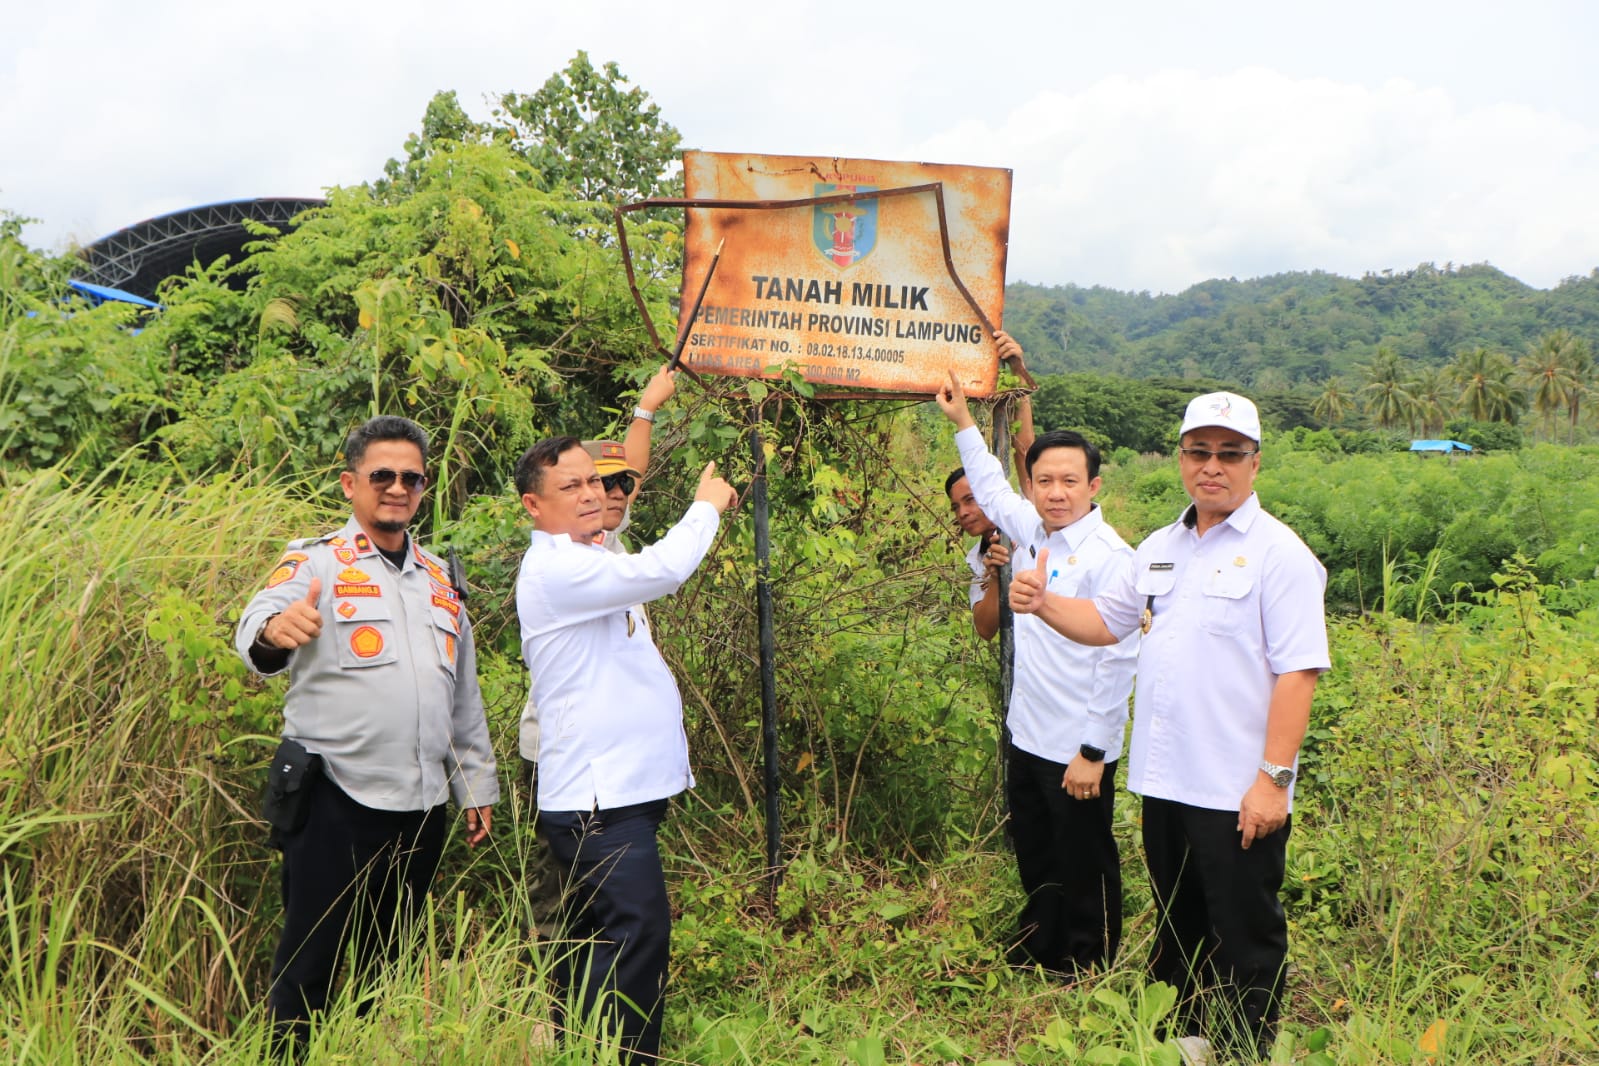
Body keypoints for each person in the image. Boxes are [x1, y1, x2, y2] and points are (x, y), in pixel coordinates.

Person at [1009, 391, 1330, 1062]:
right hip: (1166, 781)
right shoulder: (1160, 547)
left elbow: (1298, 673)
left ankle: (1241, 1050)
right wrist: (1042, 604)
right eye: (1199, 451)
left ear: (1254, 462)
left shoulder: (1279, 555)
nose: (1212, 466)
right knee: (1179, 922)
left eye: (1229, 453)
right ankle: (1183, 1041)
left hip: (1235, 788)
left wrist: (1272, 781)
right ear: (1181, 458)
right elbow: (1105, 623)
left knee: (1243, 929)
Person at [234, 415, 499, 1053]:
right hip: (333, 797)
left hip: (421, 806)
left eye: (412, 478)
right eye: (382, 475)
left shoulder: (440, 579)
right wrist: (274, 633)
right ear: (351, 483)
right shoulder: (316, 561)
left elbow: (461, 695)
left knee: (392, 970)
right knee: (309, 967)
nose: (398, 488)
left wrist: (475, 786)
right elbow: (259, 623)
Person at [513, 436, 738, 1063]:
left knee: (604, 936)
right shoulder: (559, 568)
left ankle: (583, 1048)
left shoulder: (590, 557)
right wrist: (705, 507)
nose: (591, 495)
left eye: (595, 481)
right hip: (598, 800)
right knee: (638, 933)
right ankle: (625, 1055)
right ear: (534, 505)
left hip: (617, 792)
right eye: (571, 487)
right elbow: (663, 570)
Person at [936, 355, 1138, 978]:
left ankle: (1088, 964)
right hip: (1027, 733)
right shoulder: (1032, 531)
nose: (1055, 492)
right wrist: (962, 421)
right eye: (1045, 480)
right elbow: (993, 488)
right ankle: (1043, 947)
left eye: (1069, 481)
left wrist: (1093, 751)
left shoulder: (1112, 558)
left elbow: (1119, 661)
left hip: (1075, 743)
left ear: (1093, 487)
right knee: (1037, 850)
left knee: (1085, 857)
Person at [519, 363, 679, 782]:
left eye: (620, 485)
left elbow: (632, 473)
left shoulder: (605, 537)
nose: (615, 494)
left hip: (609, 753)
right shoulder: (569, 551)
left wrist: (647, 408)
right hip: (559, 753)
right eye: (599, 484)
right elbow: (666, 569)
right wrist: (704, 512)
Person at [946, 387, 1035, 641]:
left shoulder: (1025, 517)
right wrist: (996, 578)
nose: (963, 513)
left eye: (970, 500)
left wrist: (1020, 388)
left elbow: (1025, 451)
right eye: (956, 507)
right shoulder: (979, 558)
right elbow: (985, 629)